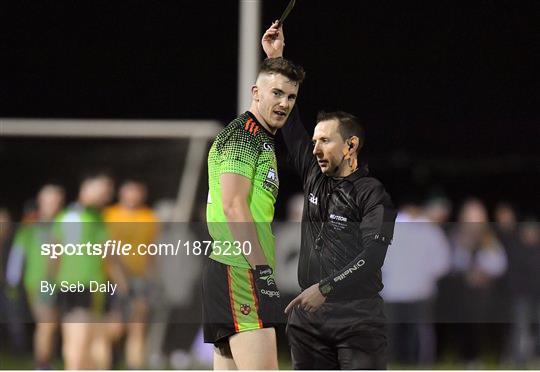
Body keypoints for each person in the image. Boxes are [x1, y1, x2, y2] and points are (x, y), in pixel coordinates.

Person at [262, 23, 397, 369]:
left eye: (325, 140)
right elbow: (289, 123)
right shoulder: (313, 176)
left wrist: (326, 288)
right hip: (309, 322)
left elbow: (373, 256)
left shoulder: (372, 194)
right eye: (315, 141)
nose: (315, 148)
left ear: (351, 146)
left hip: (358, 320)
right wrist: (276, 60)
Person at [202, 24, 305, 369]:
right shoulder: (244, 136)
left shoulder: (259, 137)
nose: (284, 103)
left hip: (233, 267)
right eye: (277, 94)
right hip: (241, 269)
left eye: (291, 97)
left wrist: (274, 59)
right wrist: (261, 269)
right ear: (255, 93)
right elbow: (233, 206)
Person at [6, 184, 65, 369]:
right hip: (38, 283)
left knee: (54, 325)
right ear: (40, 201)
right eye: (49, 200)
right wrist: (12, 281)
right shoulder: (30, 228)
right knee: (46, 324)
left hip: (64, 283)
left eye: (57, 200)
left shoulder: (66, 225)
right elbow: (17, 255)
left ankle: (48, 361)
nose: (53, 204)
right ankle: (41, 364)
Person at [104, 180, 159, 369]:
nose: (134, 195)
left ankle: (135, 367)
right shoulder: (109, 215)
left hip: (140, 279)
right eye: (130, 190)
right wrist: (119, 279)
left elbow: (152, 251)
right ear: (121, 192)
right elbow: (107, 249)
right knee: (116, 327)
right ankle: (100, 358)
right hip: (113, 278)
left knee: (138, 328)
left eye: (138, 190)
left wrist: (153, 279)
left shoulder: (149, 217)